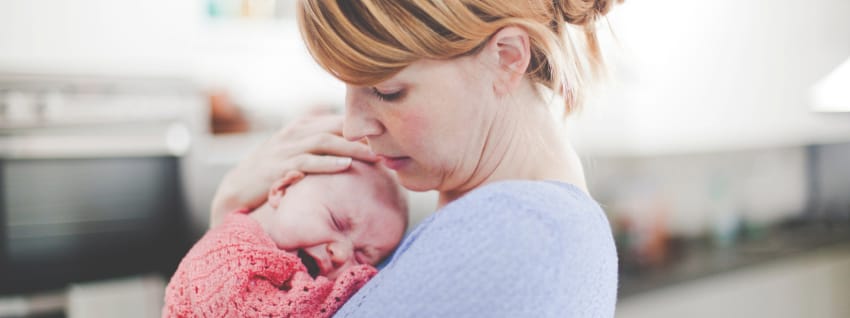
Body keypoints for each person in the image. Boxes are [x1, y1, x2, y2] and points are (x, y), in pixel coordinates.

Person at [211, 0, 622, 316]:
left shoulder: (515, 233)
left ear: (507, 58)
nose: (353, 127)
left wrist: (226, 232)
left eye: (388, 91)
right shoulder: (514, 223)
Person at [164, 161, 408, 317]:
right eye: (337, 222)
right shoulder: (230, 253)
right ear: (282, 189)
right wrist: (355, 282)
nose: (342, 254)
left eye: (361, 257)